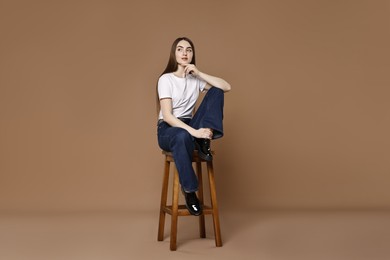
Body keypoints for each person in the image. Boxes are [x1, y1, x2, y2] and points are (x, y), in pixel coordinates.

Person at [156, 37, 231, 216]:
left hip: (190, 125)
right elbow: (167, 116)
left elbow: (226, 87)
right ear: (174, 54)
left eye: (188, 50)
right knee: (182, 136)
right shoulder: (166, 79)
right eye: (180, 49)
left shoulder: (194, 79)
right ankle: (190, 192)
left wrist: (199, 73)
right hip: (169, 129)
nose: (184, 53)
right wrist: (195, 132)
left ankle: (204, 140)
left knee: (216, 91)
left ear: (192, 54)